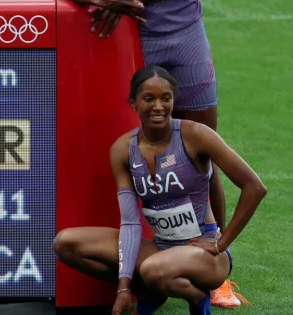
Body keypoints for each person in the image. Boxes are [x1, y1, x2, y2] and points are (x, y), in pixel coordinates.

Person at [51, 0, 241, 305]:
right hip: (130, 45)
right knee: (141, 155)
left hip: (182, 37)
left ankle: (215, 269)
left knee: (203, 151)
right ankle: (148, 262)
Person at [52, 66, 265, 314]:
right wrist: (123, 288)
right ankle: (146, 290)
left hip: (204, 251)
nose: (158, 107)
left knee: (152, 269)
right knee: (65, 243)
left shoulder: (195, 135)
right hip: (161, 248)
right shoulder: (123, 150)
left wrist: (221, 243)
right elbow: (130, 223)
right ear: (133, 102)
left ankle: (197, 298)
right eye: (149, 98)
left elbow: (254, 187)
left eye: (166, 98)